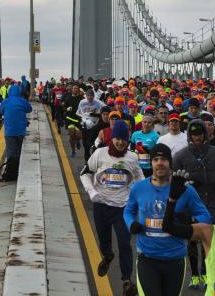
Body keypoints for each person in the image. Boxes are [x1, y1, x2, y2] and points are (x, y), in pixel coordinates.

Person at [123, 143, 212, 296]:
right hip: (147, 258)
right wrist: (131, 224)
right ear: (150, 163)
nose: (159, 163)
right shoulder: (139, 188)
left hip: (175, 258)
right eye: (155, 159)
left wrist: (189, 223)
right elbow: (128, 211)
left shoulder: (185, 189)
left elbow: (205, 216)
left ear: (170, 162)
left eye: (163, 159)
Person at [80, 119, 143, 296]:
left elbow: (140, 178)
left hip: (122, 207)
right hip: (101, 205)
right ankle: (107, 256)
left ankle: (126, 281)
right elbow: (85, 173)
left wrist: (138, 196)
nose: (120, 142)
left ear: (128, 140)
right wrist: (91, 192)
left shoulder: (132, 158)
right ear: (112, 138)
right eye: (118, 139)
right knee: (105, 242)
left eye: (124, 139)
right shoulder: (100, 154)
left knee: (125, 242)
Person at [172, 119, 215, 289]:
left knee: (209, 239)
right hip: (190, 204)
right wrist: (186, 184)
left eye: (199, 134)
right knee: (192, 239)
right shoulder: (180, 155)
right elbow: (173, 177)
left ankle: (206, 273)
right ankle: (195, 275)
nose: (197, 137)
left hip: (212, 201)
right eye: (193, 134)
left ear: (205, 135)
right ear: (189, 135)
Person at [0, 83, 31, 163]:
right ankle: (17, 165)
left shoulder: (5, 101)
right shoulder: (22, 101)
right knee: (18, 150)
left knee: (10, 151)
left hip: (9, 132)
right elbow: (29, 109)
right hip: (20, 131)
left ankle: (11, 169)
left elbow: (1, 111)